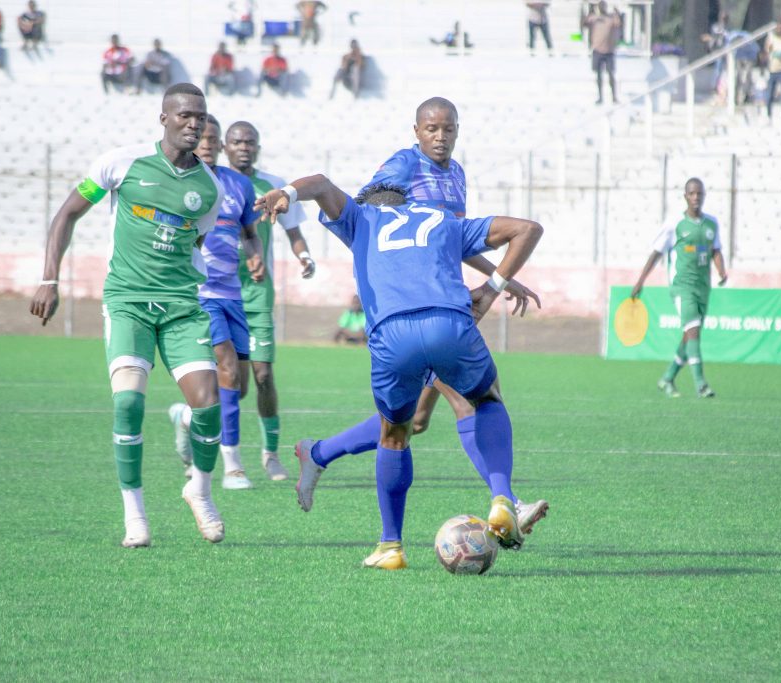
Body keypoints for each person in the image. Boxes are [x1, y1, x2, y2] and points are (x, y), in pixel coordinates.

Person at [290, 98, 549, 538]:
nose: (440, 137)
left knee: (415, 421)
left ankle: (318, 453)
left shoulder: (457, 174)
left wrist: (501, 278)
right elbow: (380, 216)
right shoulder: (403, 164)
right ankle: (506, 501)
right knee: (466, 402)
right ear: (416, 131)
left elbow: (447, 237)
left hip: (441, 298)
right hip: (412, 303)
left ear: (458, 130)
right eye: (432, 129)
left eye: (448, 129)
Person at [256, 177, 543, 570]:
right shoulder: (442, 217)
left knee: (395, 433)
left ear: (368, 205)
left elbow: (321, 184)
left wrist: (286, 194)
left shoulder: (360, 218)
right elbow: (527, 229)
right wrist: (492, 289)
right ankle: (502, 498)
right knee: (484, 399)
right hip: (450, 325)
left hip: (392, 336)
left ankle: (391, 546)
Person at [29, 83, 228, 548]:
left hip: (181, 307)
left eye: (200, 116)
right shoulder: (121, 163)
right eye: (185, 115)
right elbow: (66, 215)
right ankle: (134, 515)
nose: (194, 123)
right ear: (164, 118)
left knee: (208, 405)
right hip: (128, 302)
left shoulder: (209, 188)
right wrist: (49, 279)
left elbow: (193, 242)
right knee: (127, 405)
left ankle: (199, 490)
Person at [168, 115, 265, 490]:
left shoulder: (238, 185)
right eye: (202, 137)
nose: (206, 143)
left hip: (232, 294)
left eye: (213, 138)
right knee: (226, 368)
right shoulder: (180, 182)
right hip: (199, 294)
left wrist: (255, 256)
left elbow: (250, 233)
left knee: (237, 386)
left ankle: (187, 418)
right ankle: (233, 466)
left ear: (221, 144)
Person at [223, 121, 316, 481]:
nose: (244, 147)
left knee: (263, 374)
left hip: (258, 292)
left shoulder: (273, 185)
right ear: (225, 148)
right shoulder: (212, 182)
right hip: (221, 292)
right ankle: (188, 420)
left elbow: (293, 231)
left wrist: (304, 256)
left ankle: (270, 455)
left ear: (258, 148)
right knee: (235, 383)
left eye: (250, 142)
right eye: (237, 142)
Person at [630, 178, 728, 399]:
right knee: (693, 330)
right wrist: (640, 281)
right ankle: (701, 384)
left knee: (690, 335)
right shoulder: (674, 224)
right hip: (682, 286)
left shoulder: (711, 224)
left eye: (699, 193)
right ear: (685, 196)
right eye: (691, 193)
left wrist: (722, 271)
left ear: (704, 196)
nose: (696, 197)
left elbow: (715, 250)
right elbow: (656, 253)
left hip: (703, 287)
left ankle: (667, 378)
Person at [584, 1, 621, 104]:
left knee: (611, 74)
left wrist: (617, 13)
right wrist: (589, 11)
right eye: (600, 6)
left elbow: (618, 24)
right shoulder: (594, 18)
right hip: (597, 50)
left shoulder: (611, 18)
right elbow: (585, 23)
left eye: (603, 6)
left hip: (609, 51)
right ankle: (600, 97)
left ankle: (614, 97)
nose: (602, 8)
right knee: (599, 75)